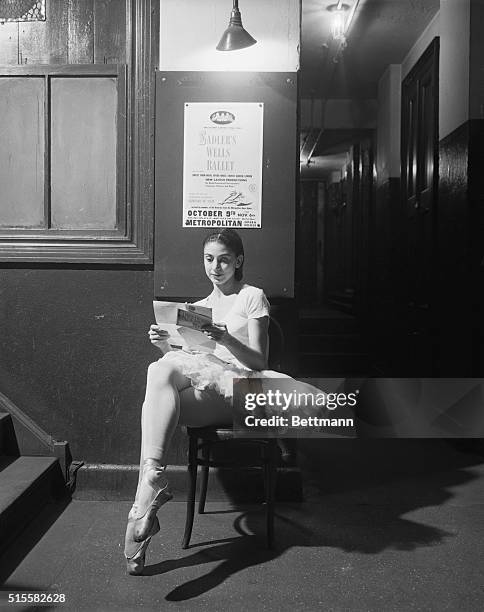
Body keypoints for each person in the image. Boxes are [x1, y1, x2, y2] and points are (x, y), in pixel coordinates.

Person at [124, 228, 276, 575]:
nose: (216, 266)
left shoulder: (253, 297)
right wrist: (165, 343)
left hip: (240, 390)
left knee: (157, 392)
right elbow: (192, 360)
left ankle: (145, 501)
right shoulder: (200, 308)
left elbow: (259, 362)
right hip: (206, 384)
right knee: (160, 370)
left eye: (224, 259)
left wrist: (226, 338)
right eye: (209, 259)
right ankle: (150, 485)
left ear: (238, 261)